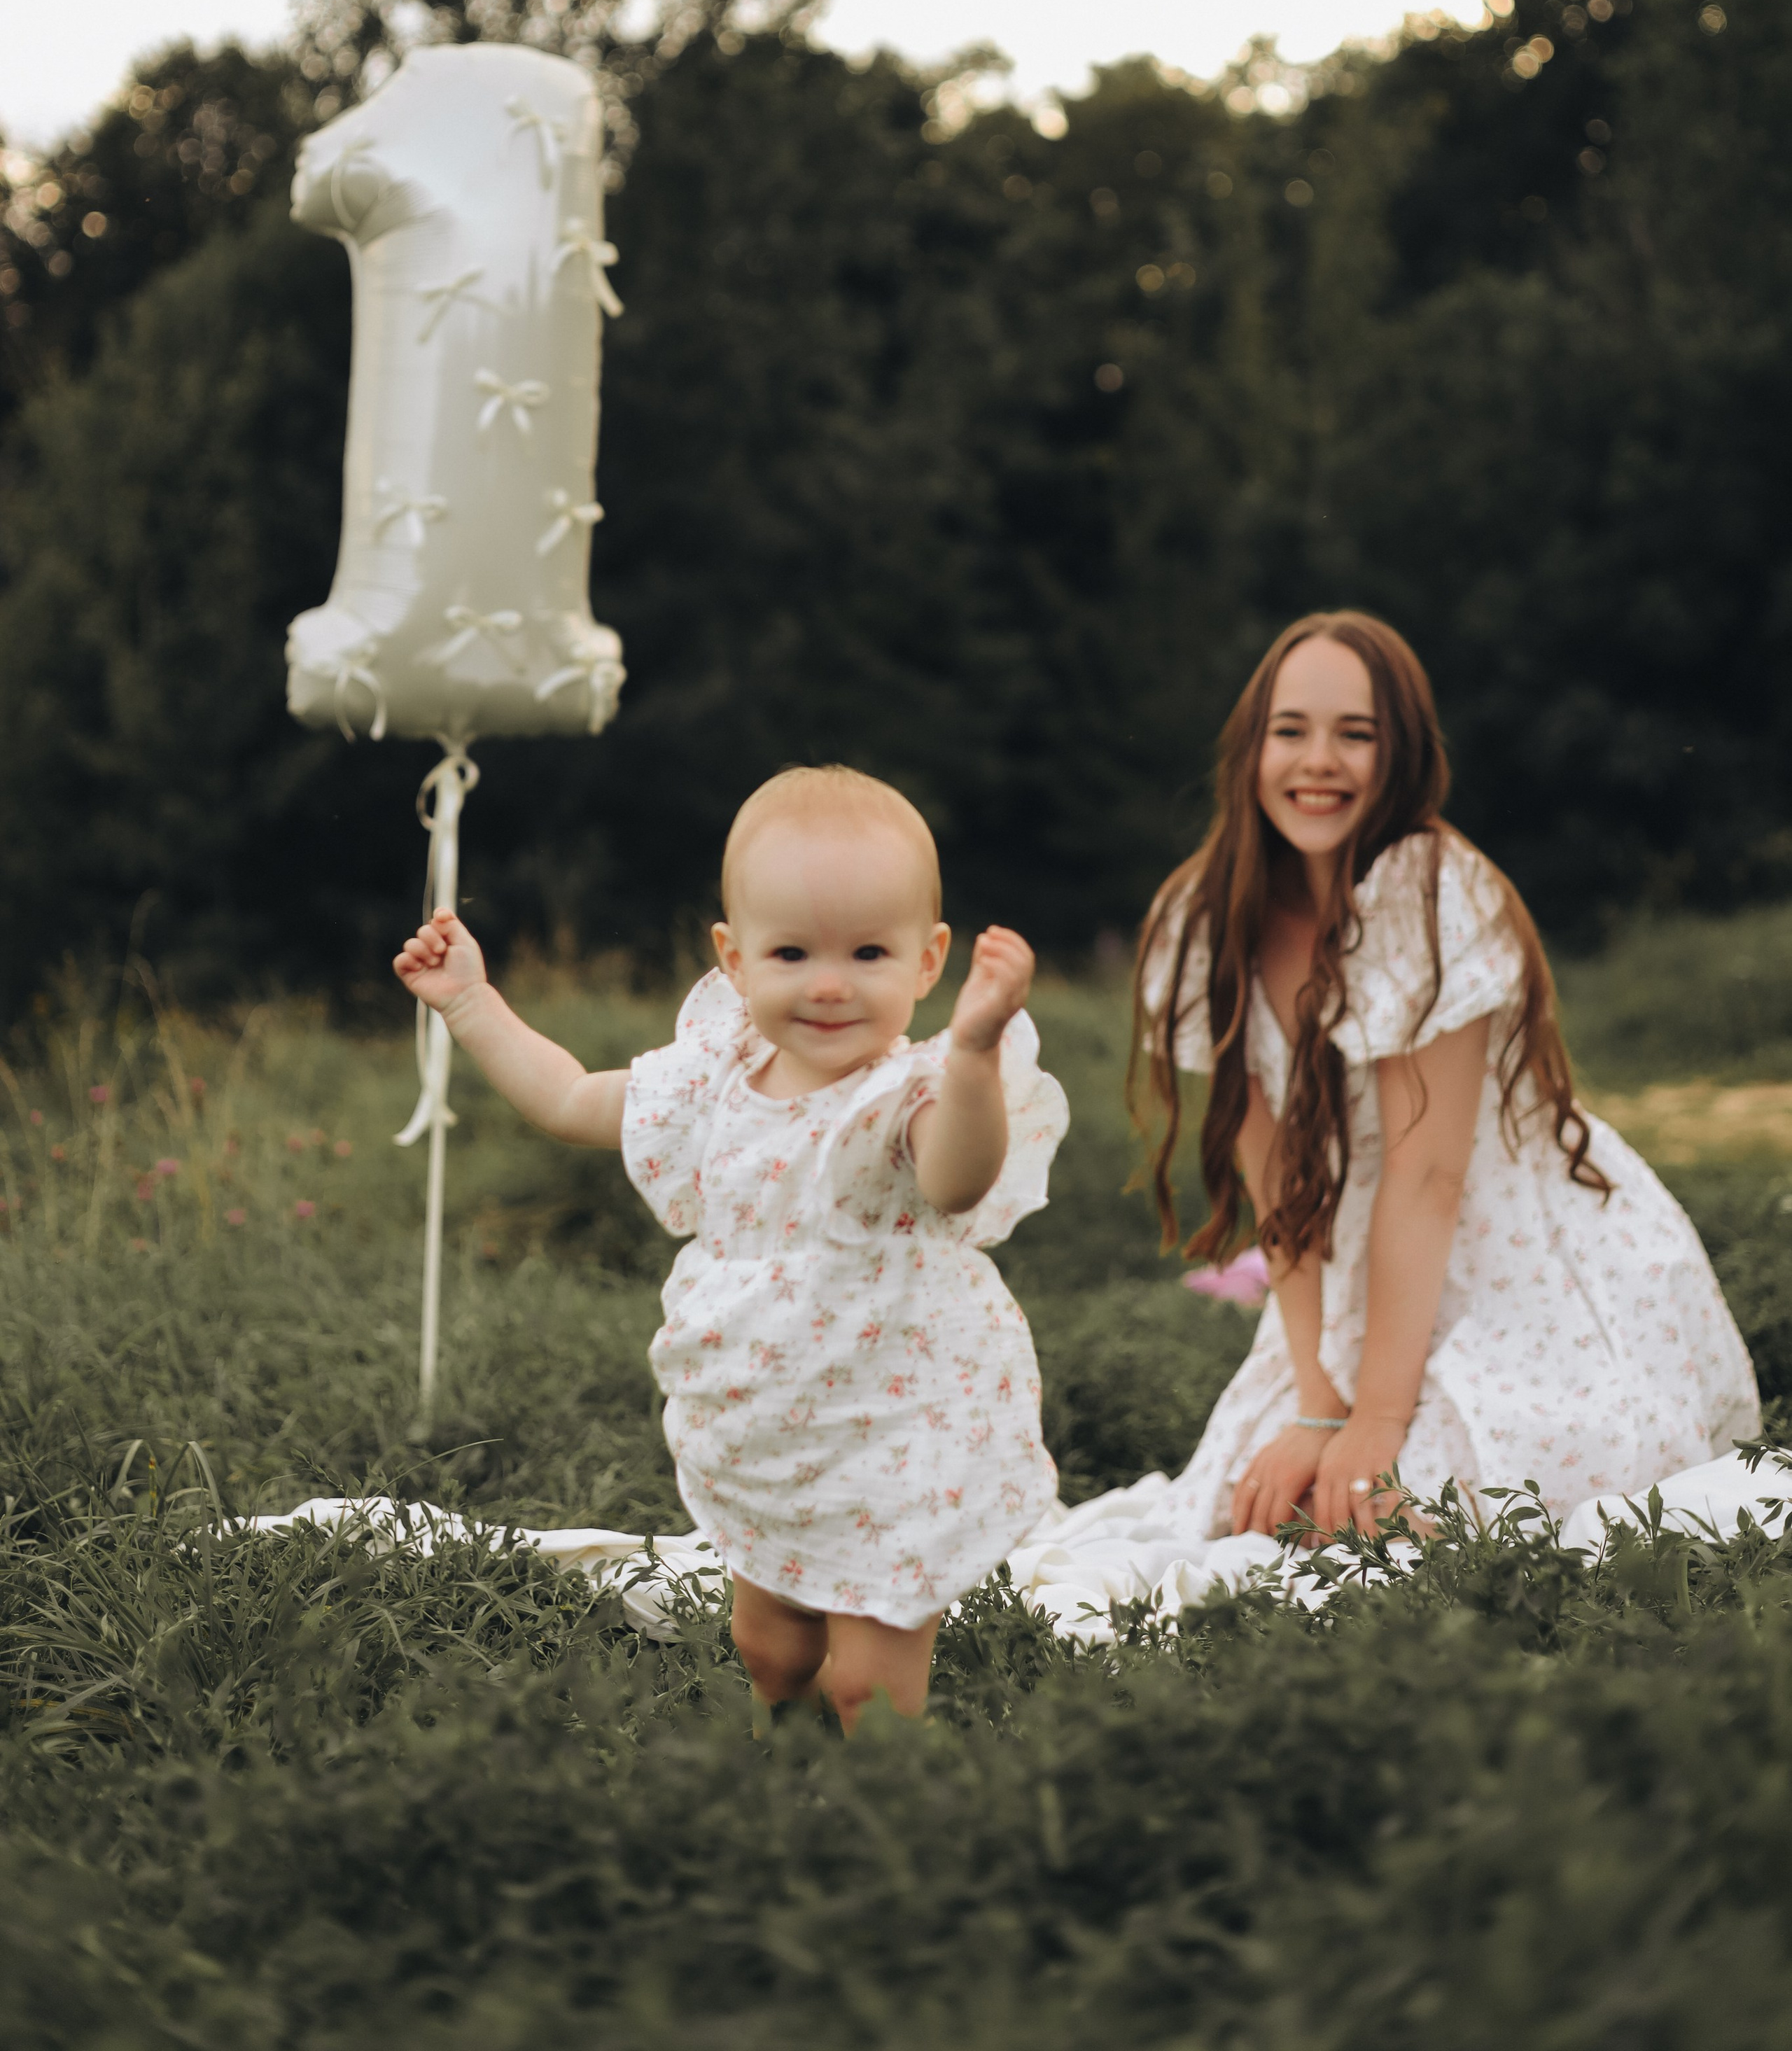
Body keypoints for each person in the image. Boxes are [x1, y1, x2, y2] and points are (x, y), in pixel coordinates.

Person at [394, 764, 1067, 1732]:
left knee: (863, 1684)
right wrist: (470, 1007)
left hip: (897, 1427)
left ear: (928, 962)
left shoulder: (909, 1097)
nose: (829, 984)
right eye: (791, 952)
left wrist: (971, 1058)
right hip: (768, 1426)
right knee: (773, 1647)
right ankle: (780, 1779)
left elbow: (958, 1179)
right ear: (735, 958)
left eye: (869, 952)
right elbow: (571, 1097)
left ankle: (889, 1827)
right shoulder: (714, 1080)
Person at [1134, 611, 1758, 1548]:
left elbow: (1430, 1179)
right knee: (1259, 1513)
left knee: (1405, 1514)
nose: (1320, 761)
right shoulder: (1207, 918)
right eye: (1291, 730)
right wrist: (1317, 1401)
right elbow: (1278, 1194)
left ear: (1405, 754)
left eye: (1357, 734)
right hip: (1361, 1277)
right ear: (1250, 747)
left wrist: (1378, 1423)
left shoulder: (1428, 892)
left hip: (1519, 1261)